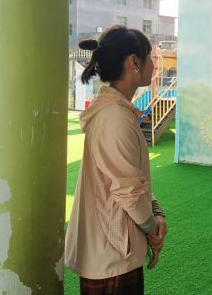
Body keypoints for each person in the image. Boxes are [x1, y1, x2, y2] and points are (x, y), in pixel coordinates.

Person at [65, 26, 167, 295]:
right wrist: (153, 228)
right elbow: (129, 192)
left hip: (114, 251)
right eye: (149, 56)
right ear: (134, 62)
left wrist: (157, 213)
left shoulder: (116, 112)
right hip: (112, 256)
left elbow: (133, 181)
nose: (154, 64)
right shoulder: (115, 118)